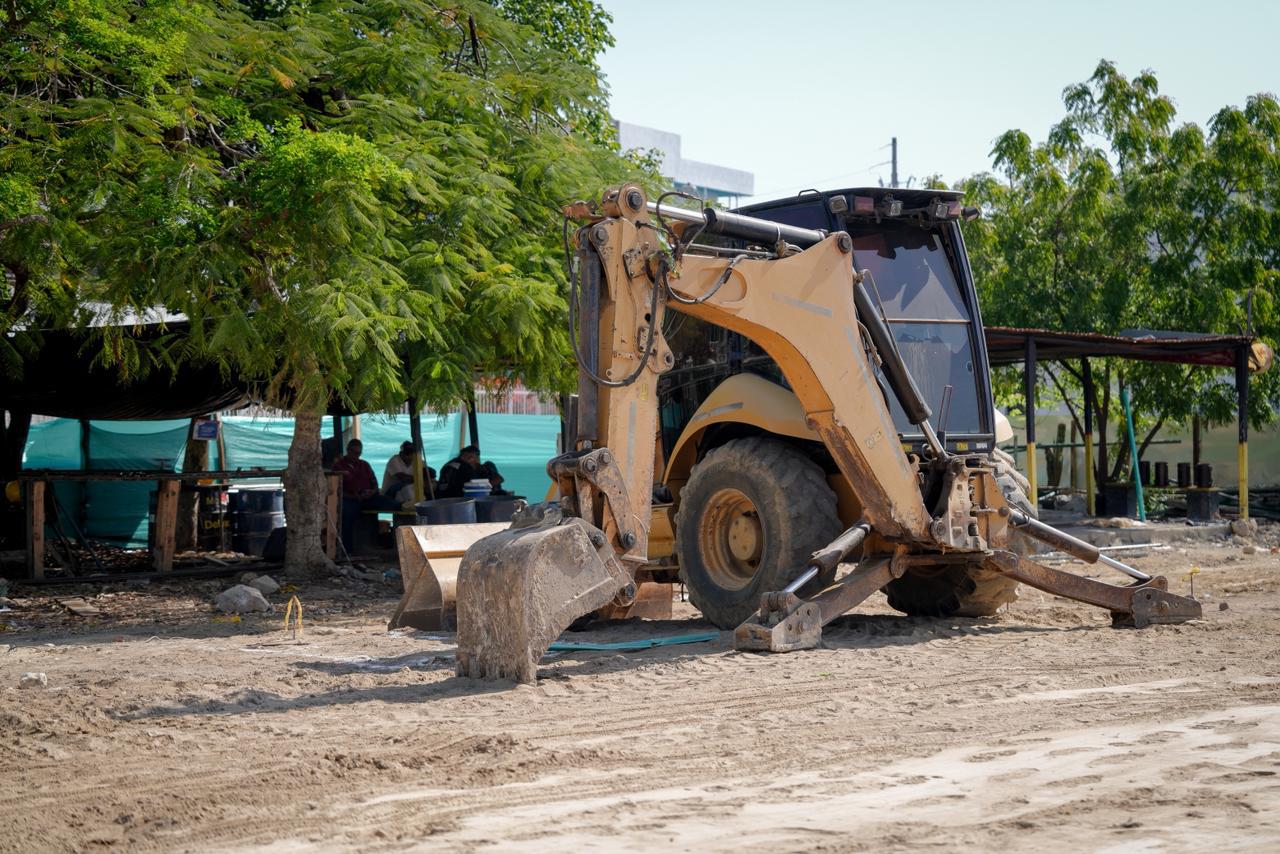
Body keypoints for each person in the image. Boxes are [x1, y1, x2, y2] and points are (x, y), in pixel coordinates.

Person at [332, 439, 399, 553]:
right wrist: (353, 496)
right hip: (350, 499)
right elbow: (336, 489)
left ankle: (380, 541)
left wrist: (371, 492)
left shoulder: (364, 465)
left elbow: (375, 483)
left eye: (359, 453)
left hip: (367, 497)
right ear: (348, 450)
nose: (356, 456)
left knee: (388, 502)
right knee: (346, 516)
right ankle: (347, 550)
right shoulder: (338, 466)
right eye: (354, 452)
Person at [437, 445, 504, 498]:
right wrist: (491, 483)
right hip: (460, 502)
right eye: (475, 459)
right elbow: (475, 489)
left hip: (442, 500)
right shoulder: (465, 467)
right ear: (470, 456)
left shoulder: (447, 465)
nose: (475, 462)